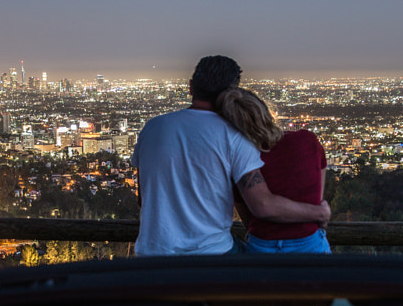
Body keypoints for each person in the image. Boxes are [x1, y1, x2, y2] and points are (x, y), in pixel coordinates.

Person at [131, 55, 330, 255]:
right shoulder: (233, 135)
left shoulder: (152, 128)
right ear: (232, 94)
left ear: (191, 87)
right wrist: (320, 213)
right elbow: (262, 204)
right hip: (213, 255)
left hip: (152, 254)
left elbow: (143, 199)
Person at [216, 87, 331, 254]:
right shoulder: (307, 141)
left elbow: (250, 220)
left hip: (263, 246)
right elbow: (316, 198)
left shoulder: (240, 160)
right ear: (264, 111)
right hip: (310, 244)